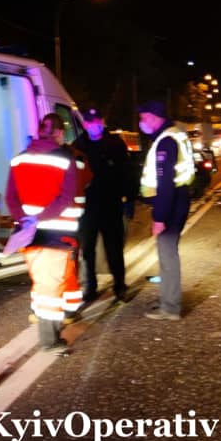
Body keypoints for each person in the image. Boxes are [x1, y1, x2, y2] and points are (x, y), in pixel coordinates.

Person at [5, 113, 86, 348]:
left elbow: (11, 197)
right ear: (59, 133)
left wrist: (26, 219)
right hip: (58, 232)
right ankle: (49, 340)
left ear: (41, 131)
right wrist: (40, 217)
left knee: (42, 280)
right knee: (49, 287)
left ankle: (55, 319)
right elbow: (66, 198)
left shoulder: (19, 159)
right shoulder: (66, 159)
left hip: (29, 233)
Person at [137, 100, 196, 321]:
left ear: (153, 117)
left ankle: (170, 307)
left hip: (171, 204)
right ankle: (167, 299)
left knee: (167, 255)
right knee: (167, 254)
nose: (141, 122)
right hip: (178, 200)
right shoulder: (175, 134)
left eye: (143, 118)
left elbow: (165, 184)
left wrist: (159, 218)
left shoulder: (166, 142)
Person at [72, 107, 135, 303]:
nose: (94, 125)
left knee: (114, 249)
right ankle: (90, 287)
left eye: (97, 121)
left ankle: (120, 285)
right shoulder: (78, 146)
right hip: (87, 207)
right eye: (90, 122)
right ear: (85, 124)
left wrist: (129, 199)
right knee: (87, 250)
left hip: (111, 204)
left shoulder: (115, 144)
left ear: (103, 122)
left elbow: (127, 172)